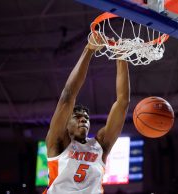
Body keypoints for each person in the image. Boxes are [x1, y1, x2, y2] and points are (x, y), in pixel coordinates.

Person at [43, 34, 130, 194]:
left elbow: (122, 102)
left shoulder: (100, 145)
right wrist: (88, 50)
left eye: (87, 118)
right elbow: (68, 95)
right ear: (66, 124)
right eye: (77, 117)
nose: (84, 119)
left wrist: (121, 56)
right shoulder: (58, 143)